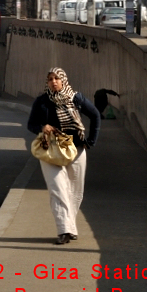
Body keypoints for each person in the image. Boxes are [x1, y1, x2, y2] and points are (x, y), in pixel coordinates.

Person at [27, 67, 100, 245]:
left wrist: (91, 141)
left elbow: (96, 115)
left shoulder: (76, 98)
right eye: (50, 79)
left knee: (75, 191)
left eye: (57, 78)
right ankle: (64, 230)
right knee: (58, 189)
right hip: (50, 151)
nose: (53, 81)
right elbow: (31, 124)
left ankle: (70, 227)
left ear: (63, 80)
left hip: (76, 149)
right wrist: (42, 127)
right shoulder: (42, 101)